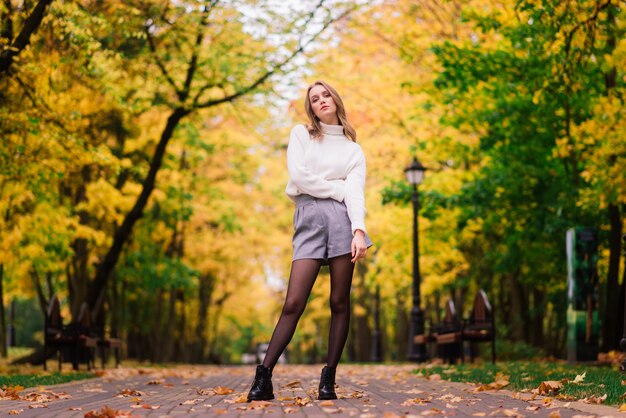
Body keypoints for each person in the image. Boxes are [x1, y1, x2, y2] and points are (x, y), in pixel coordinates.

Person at [247, 80, 373, 402]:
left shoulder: (352, 150)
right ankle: (264, 377)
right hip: (310, 217)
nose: (321, 101)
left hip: (344, 221)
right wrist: (337, 188)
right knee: (294, 302)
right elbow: (298, 177)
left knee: (339, 303)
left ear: (335, 98)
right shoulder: (301, 135)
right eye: (314, 99)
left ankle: (328, 379)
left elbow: (355, 193)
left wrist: (358, 229)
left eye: (325, 94)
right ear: (311, 108)